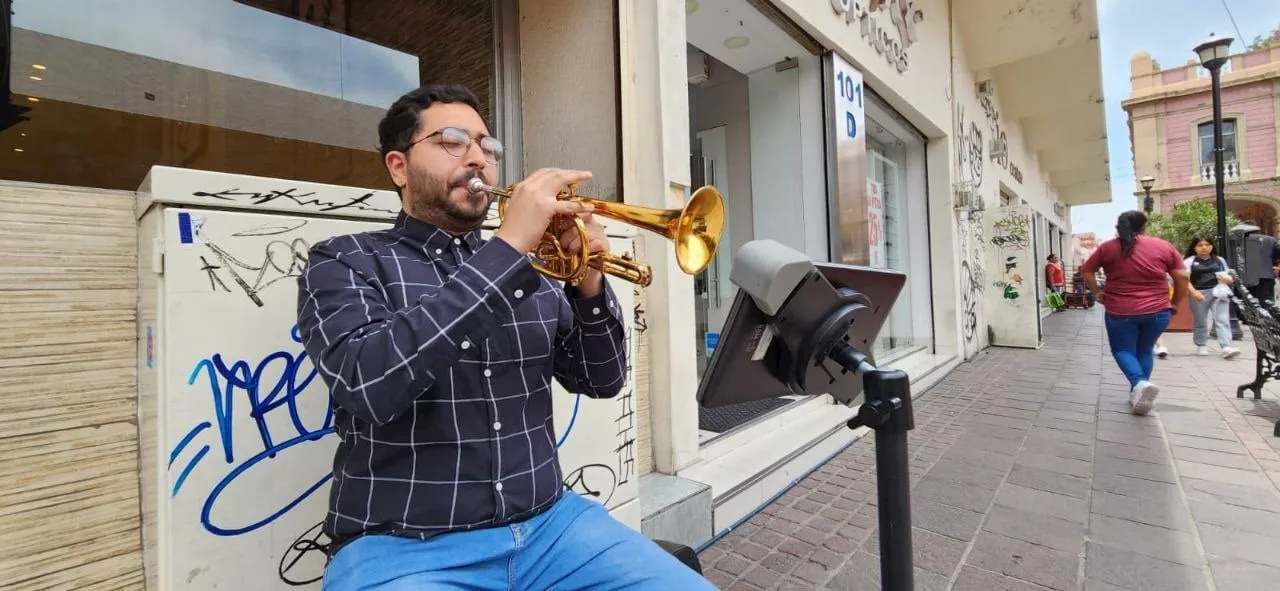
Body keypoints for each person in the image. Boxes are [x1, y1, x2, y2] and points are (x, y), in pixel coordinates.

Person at [296, 83, 714, 590]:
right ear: (399, 167)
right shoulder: (346, 260)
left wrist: (587, 281)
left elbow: (602, 379)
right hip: (403, 547)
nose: (477, 158)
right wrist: (509, 248)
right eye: (452, 141)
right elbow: (369, 385)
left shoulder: (533, 271)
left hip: (552, 528)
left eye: (487, 146)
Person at [1080, 211, 1190, 416]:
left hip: (1120, 310)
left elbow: (1086, 270)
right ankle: (1137, 393)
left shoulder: (1108, 248)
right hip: (1158, 310)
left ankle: (1139, 384)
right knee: (1145, 350)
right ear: (1143, 227)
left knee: (1123, 350)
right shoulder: (1162, 246)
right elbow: (1182, 277)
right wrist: (1174, 303)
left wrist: (1097, 291)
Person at [1183, 236, 1241, 359]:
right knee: (1200, 320)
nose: (1204, 247)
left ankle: (1226, 346)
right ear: (1194, 247)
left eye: (1207, 245)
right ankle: (1201, 344)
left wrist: (1228, 279)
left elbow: (1228, 276)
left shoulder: (1219, 260)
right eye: (1200, 245)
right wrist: (1193, 292)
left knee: (1222, 319)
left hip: (1218, 292)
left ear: (1212, 246)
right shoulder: (1190, 261)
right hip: (1199, 292)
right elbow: (1185, 280)